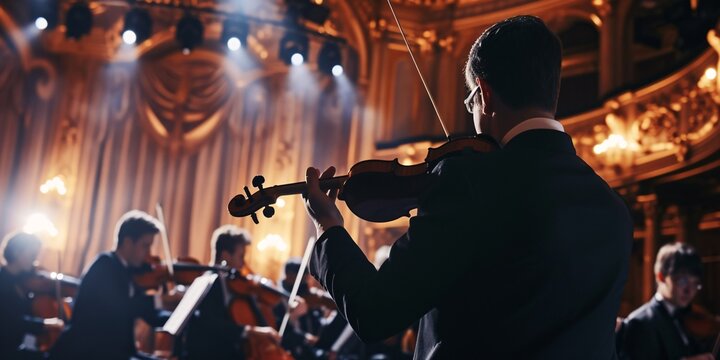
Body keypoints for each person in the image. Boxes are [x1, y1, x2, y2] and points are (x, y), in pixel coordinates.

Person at [302, 15, 633, 359]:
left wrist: (328, 229)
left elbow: (375, 312)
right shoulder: (612, 208)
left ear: (484, 94)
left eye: (470, 101)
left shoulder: (469, 181)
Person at [50, 210, 170, 360]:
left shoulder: (128, 271)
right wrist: (160, 301)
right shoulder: (104, 265)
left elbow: (149, 314)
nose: (148, 254)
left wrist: (179, 318)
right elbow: (121, 307)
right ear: (127, 242)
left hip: (113, 352)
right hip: (85, 352)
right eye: (145, 246)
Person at [183, 224, 281, 359]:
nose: (243, 264)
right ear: (225, 256)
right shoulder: (209, 281)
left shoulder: (237, 283)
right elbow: (211, 323)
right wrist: (251, 331)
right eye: (241, 256)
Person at [618, 243, 715, 360]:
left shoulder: (688, 318)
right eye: (683, 281)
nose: (689, 290)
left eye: (695, 283)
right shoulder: (640, 322)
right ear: (661, 277)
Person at [0, 232, 64, 360]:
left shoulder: (23, 281)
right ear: (18, 253)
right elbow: (10, 321)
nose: (35, 260)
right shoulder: (3, 282)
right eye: (32, 254)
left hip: (16, 346)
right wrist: (45, 324)